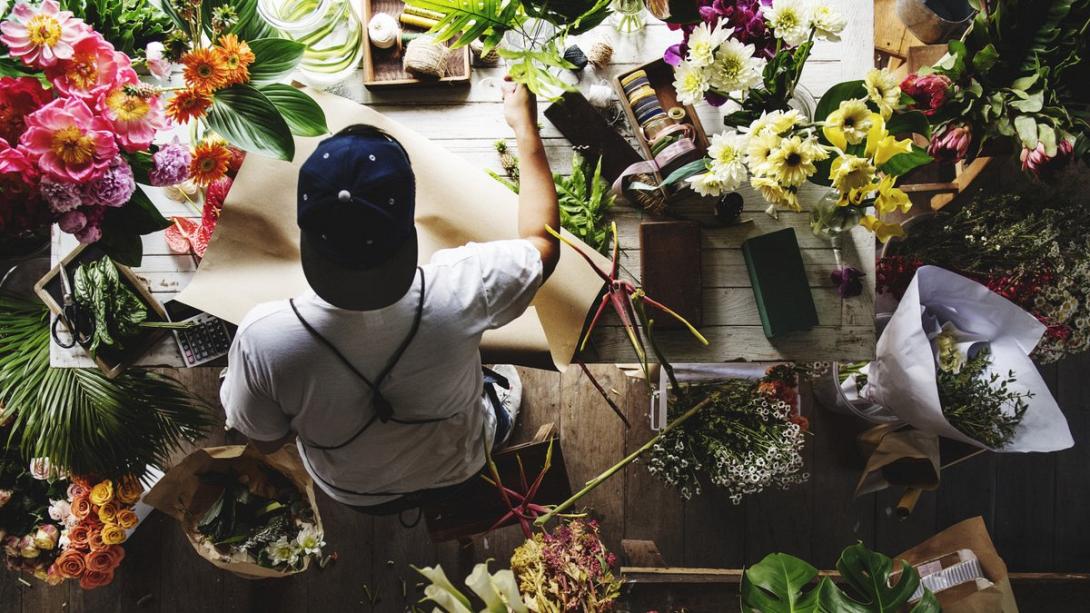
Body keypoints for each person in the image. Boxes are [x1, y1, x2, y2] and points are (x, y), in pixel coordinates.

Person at [219, 82, 560, 514]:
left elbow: (267, 441)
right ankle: (498, 408)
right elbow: (543, 244)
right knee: (492, 386)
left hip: (354, 492)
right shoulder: (461, 285)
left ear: (304, 235)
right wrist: (525, 126)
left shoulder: (262, 339)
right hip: (461, 467)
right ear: (408, 228)